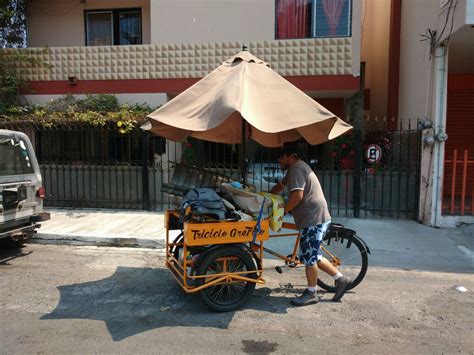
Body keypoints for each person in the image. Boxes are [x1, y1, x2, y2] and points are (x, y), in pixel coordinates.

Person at [269, 141, 351, 306]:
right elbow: (281, 185)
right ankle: (341, 279)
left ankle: (311, 293)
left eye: (282, 157)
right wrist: (264, 195)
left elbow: (297, 196)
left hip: (313, 218)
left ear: (291, 157)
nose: (279, 160)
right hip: (314, 216)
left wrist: (283, 211)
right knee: (312, 254)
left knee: (309, 258)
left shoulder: (296, 169)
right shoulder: (296, 168)